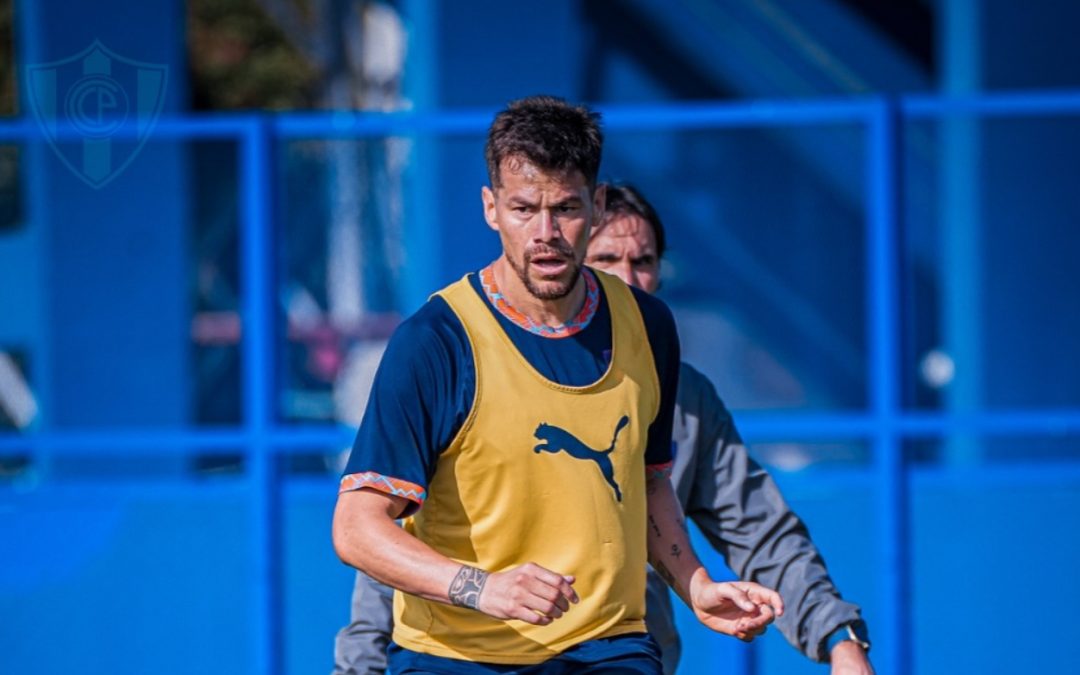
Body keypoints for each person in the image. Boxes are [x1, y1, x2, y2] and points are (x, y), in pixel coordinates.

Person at [333, 183, 874, 675]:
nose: (628, 278)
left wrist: (839, 639)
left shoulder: (682, 396)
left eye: (643, 261)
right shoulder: (459, 359)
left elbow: (760, 530)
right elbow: (389, 559)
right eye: (607, 259)